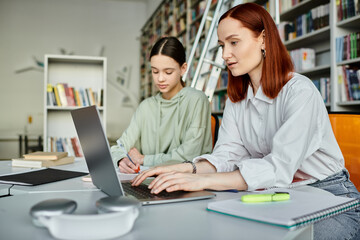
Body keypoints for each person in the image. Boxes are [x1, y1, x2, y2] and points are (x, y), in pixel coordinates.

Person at [132, 3, 360, 240]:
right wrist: (184, 169)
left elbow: (278, 166)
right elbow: (228, 155)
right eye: (221, 45)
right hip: (280, 196)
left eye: (233, 42)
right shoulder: (237, 97)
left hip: (331, 198)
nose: (224, 55)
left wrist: (200, 179)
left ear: (263, 39)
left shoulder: (300, 91)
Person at [111, 36, 212, 174]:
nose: (160, 78)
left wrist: (144, 159)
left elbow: (189, 157)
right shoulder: (145, 106)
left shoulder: (197, 100)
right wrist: (121, 160)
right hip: (150, 180)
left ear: (183, 69)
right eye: (155, 71)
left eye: (168, 72)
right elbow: (119, 147)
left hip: (187, 181)